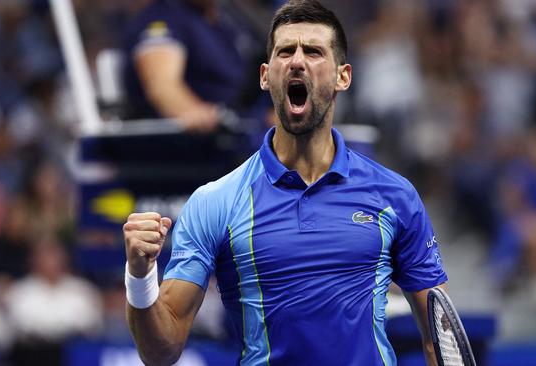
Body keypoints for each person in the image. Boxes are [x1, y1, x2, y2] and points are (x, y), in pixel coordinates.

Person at [122, 1, 448, 365]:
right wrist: (139, 276)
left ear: (343, 76)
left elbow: (441, 342)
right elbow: (160, 352)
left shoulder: (395, 196)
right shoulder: (216, 202)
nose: (297, 61)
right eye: (285, 51)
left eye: (313, 51)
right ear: (265, 76)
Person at [121, 0, 249, 132]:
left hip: (243, 124)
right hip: (202, 141)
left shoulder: (225, 20)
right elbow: (162, 87)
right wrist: (195, 113)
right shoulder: (163, 18)